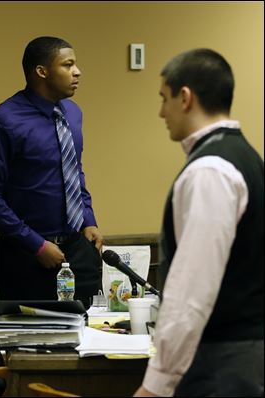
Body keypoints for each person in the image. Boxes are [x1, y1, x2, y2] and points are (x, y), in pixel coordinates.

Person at [134, 49, 264, 397]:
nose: (161, 111)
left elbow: (193, 289)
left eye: (164, 98)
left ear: (186, 97)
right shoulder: (246, 157)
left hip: (222, 363)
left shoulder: (210, 170)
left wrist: (155, 384)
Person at [0, 36, 103, 310]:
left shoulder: (73, 113)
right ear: (42, 71)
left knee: (90, 338)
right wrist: (37, 245)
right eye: (68, 65)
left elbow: (73, 170)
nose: (77, 72)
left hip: (78, 249)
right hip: (26, 255)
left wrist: (88, 219)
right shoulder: (3, 122)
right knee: (33, 347)